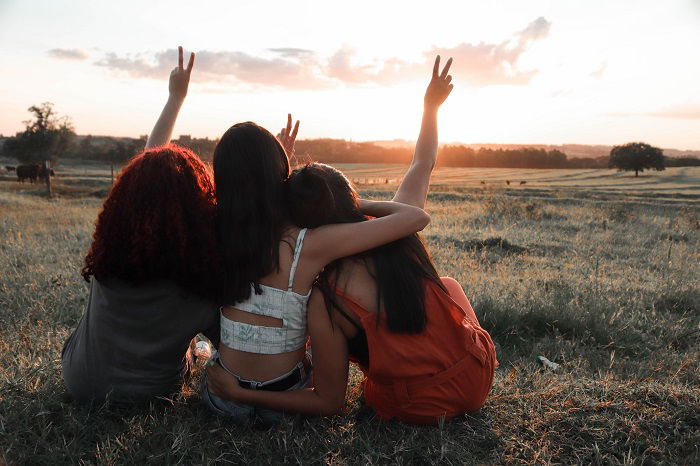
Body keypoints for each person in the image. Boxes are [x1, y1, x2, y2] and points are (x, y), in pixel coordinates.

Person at [206, 56, 498, 425]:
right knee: (448, 286)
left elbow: (330, 399)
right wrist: (430, 108)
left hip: (413, 403)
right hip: (477, 375)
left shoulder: (309, 264)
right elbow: (421, 166)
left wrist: (278, 174)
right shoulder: (385, 228)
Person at [202, 114, 431, 425]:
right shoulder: (305, 244)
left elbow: (247, 194)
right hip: (283, 406)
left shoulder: (215, 231)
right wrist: (352, 201)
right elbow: (416, 218)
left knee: (210, 346)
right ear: (277, 176)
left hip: (220, 398)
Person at [61, 47, 222, 403]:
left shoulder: (112, 256)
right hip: (151, 396)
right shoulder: (198, 285)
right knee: (199, 349)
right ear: (198, 212)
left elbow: (148, 178)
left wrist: (175, 99)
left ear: (128, 200)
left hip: (79, 381)